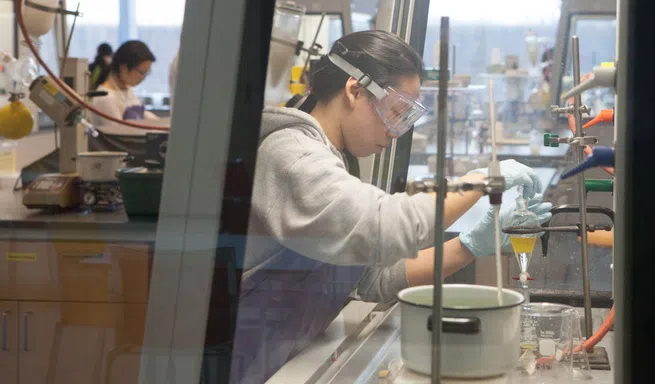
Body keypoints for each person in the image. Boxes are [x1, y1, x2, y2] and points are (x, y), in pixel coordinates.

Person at [232, 30, 553, 383]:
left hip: (283, 362)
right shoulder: (290, 154)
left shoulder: (336, 160)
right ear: (355, 90)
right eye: (396, 112)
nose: (396, 131)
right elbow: (383, 226)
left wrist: (471, 245)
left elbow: (372, 278)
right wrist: (479, 182)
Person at [89, 40, 161, 133]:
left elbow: (144, 115)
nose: (143, 78)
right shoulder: (106, 97)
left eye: (147, 73)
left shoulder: (128, 89)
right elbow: (120, 134)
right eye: (142, 73)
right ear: (124, 68)